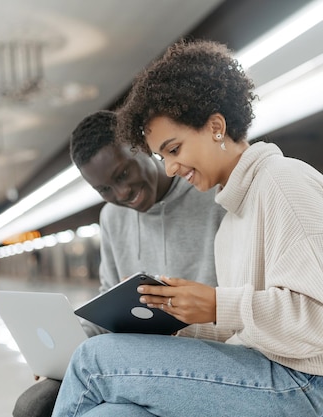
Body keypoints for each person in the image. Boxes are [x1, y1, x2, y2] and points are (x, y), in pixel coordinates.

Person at [52, 39, 323, 417]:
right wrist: (184, 325)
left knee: (93, 360)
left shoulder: (284, 183)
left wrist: (218, 304)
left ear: (216, 127)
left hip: (315, 388)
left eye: (174, 149)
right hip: (271, 373)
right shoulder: (234, 213)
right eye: (162, 156)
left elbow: (320, 320)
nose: (169, 168)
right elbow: (247, 332)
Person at [12, 110, 225, 417]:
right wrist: (63, 353)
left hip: (203, 353)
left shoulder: (208, 193)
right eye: (105, 190)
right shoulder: (111, 217)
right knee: (32, 405)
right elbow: (107, 305)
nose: (122, 194)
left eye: (123, 174)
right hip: (137, 356)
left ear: (141, 146)